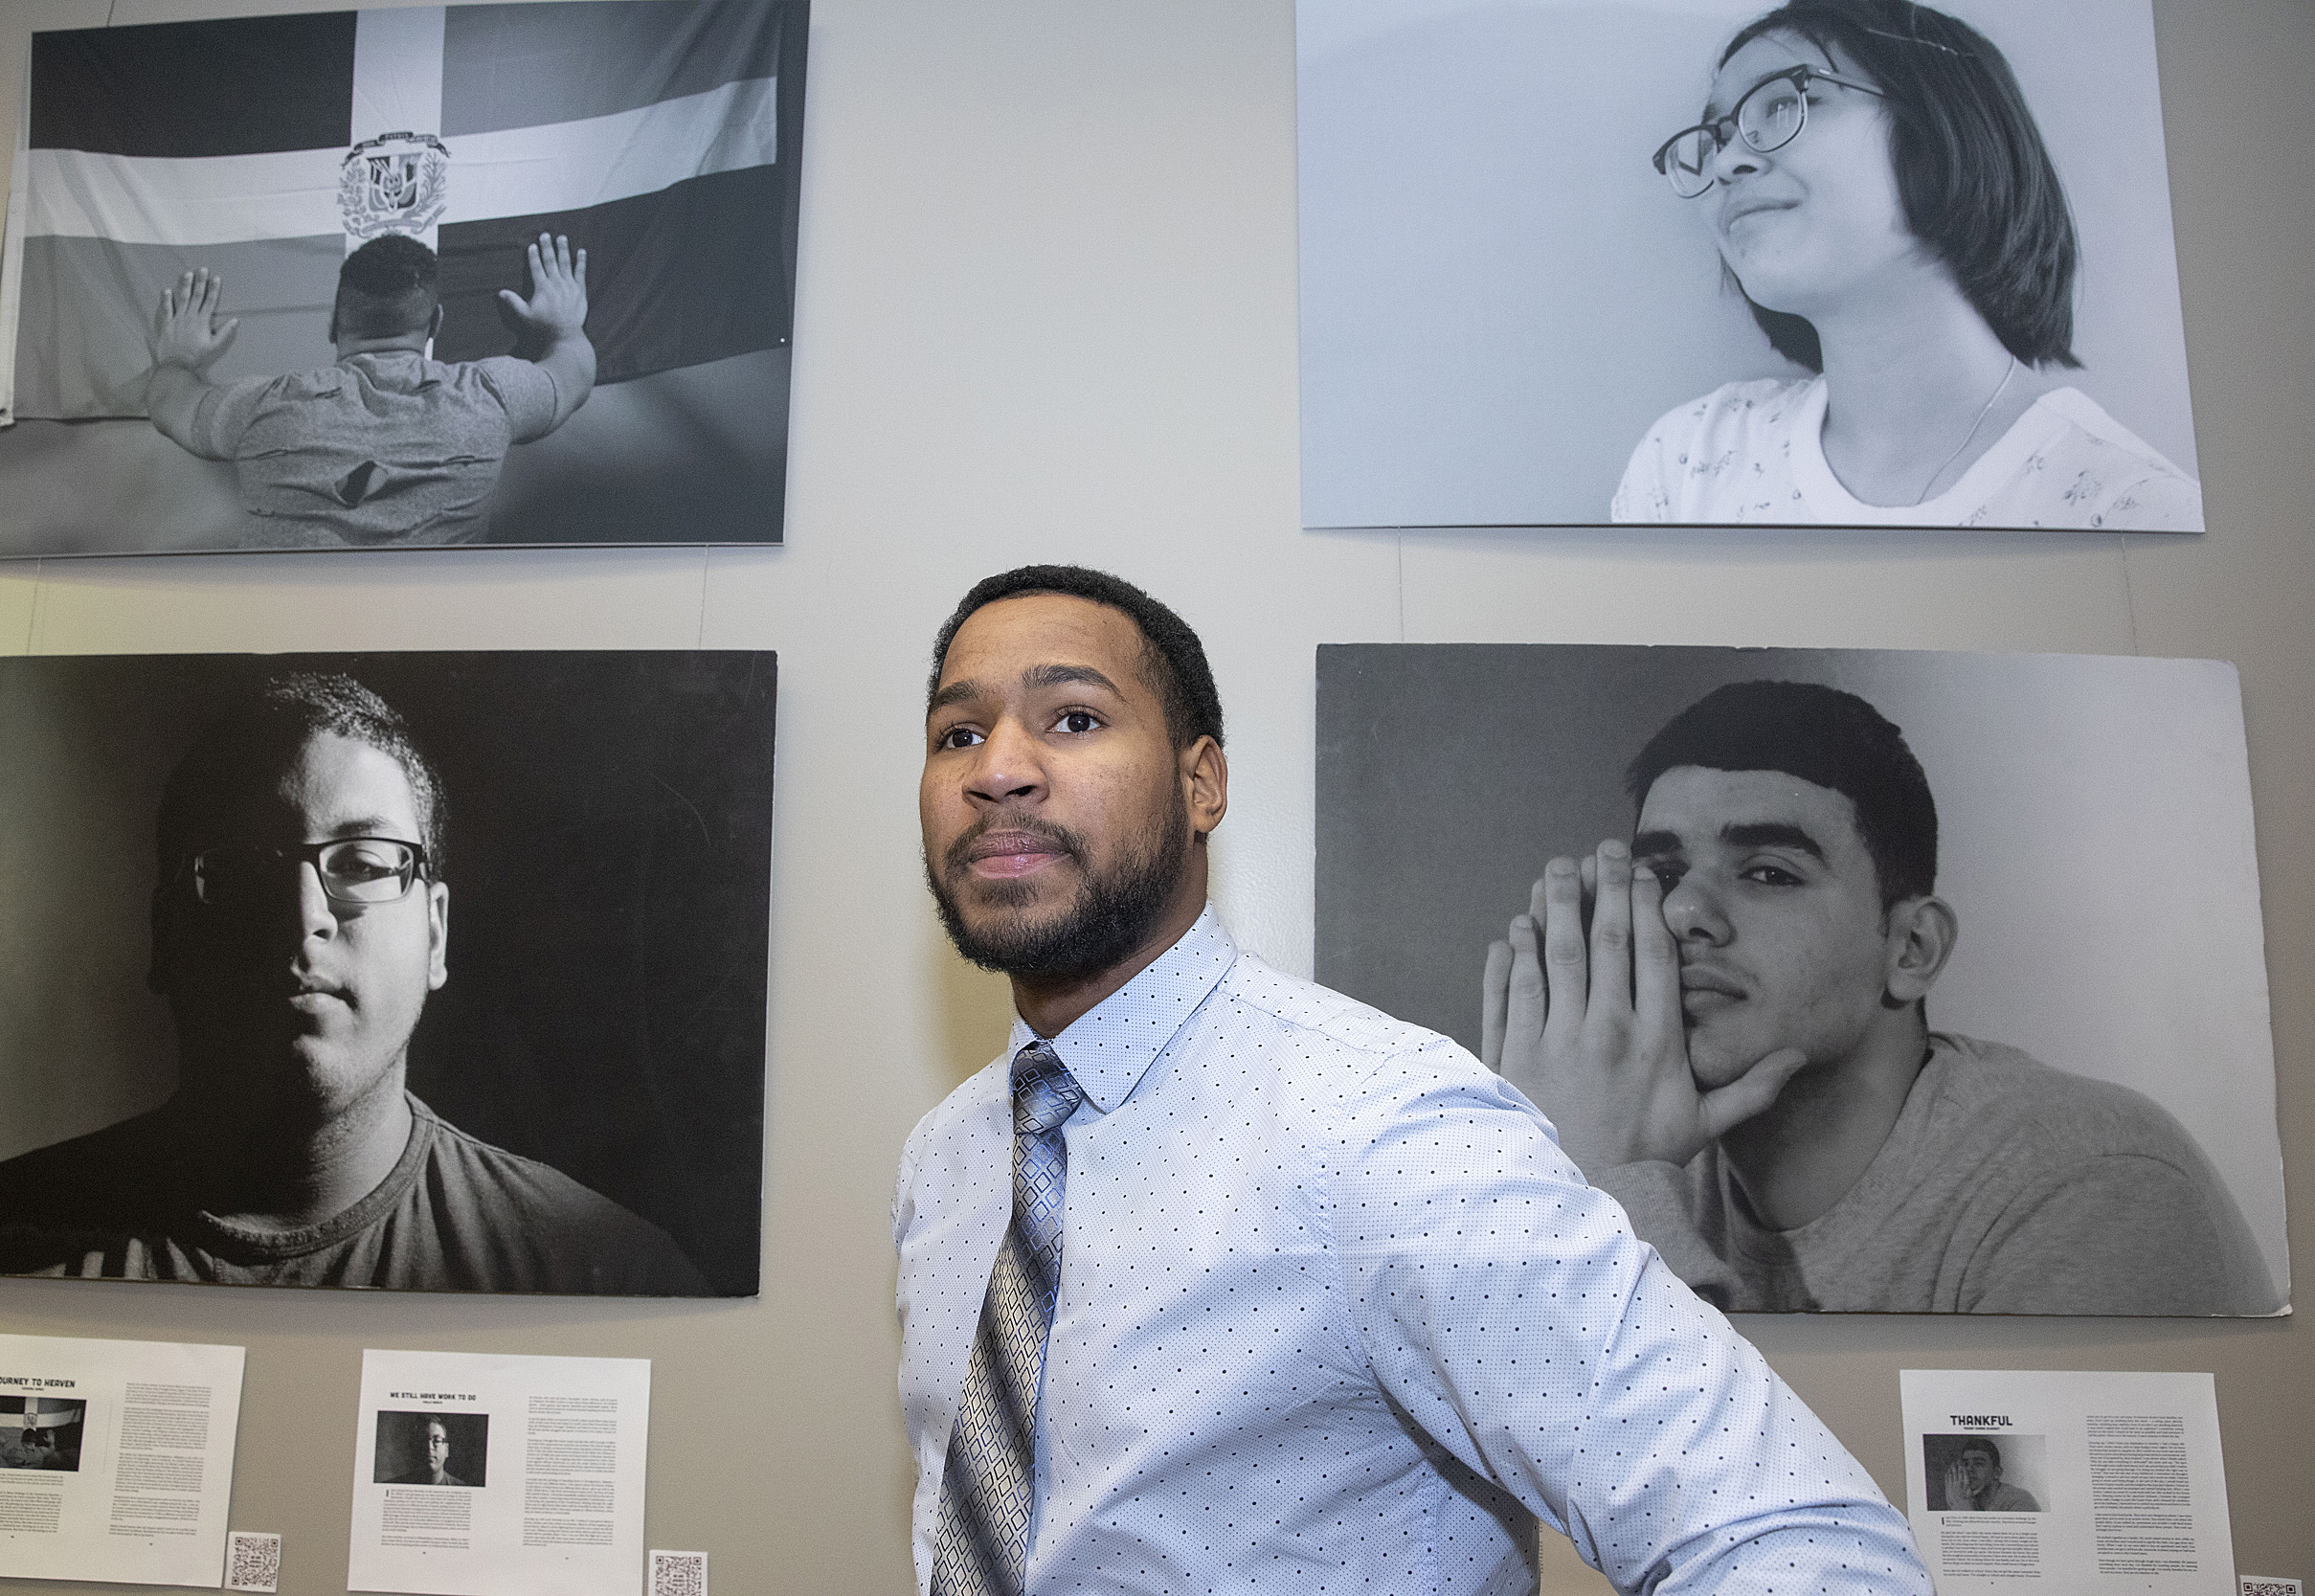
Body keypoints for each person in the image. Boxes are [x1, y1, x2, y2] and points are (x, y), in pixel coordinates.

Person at [895, 565, 1927, 1594]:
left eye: (1073, 718)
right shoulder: (949, 1157)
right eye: (959, 733)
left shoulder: (1380, 1125)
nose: (999, 769)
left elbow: (1808, 1545)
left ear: (1200, 782)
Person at [1481, 679, 2276, 1315]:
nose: (1684, 911)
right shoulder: (1630, 1161)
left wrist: (1600, 1191)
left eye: (1768, 872)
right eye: (1662, 872)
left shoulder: (2091, 1180)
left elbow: (1710, 1494)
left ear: (1911, 950)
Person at [0, 672, 707, 1295]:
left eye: (363, 865)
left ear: (435, 932)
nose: (302, 918)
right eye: (236, 872)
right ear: (164, 936)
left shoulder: (604, 1269)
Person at [1609, 0, 2200, 529]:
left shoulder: (2129, 510)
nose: (1729, 160)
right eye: (1716, 137)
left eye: (1787, 103)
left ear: (1941, 130)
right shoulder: (1691, 465)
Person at [146, 233, 595, 547]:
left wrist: (178, 359)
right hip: (432, 650)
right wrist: (565, 329)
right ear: (435, 322)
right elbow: (572, 377)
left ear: (332, 325)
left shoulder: (263, 407)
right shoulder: (490, 395)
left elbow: (169, 404)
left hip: (292, 652)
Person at [1943, 1438, 2036, 1513]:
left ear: (1997, 1473)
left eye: (1978, 1463)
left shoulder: (2021, 1500)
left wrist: (1964, 1509)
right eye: (1966, 1464)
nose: (1969, 1469)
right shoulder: (1961, 1496)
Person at [385, 1417, 473, 1487]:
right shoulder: (394, 1486)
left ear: (446, 1449)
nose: (429, 1447)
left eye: (437, 1440)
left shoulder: (462, 1488)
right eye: (422, 1440)